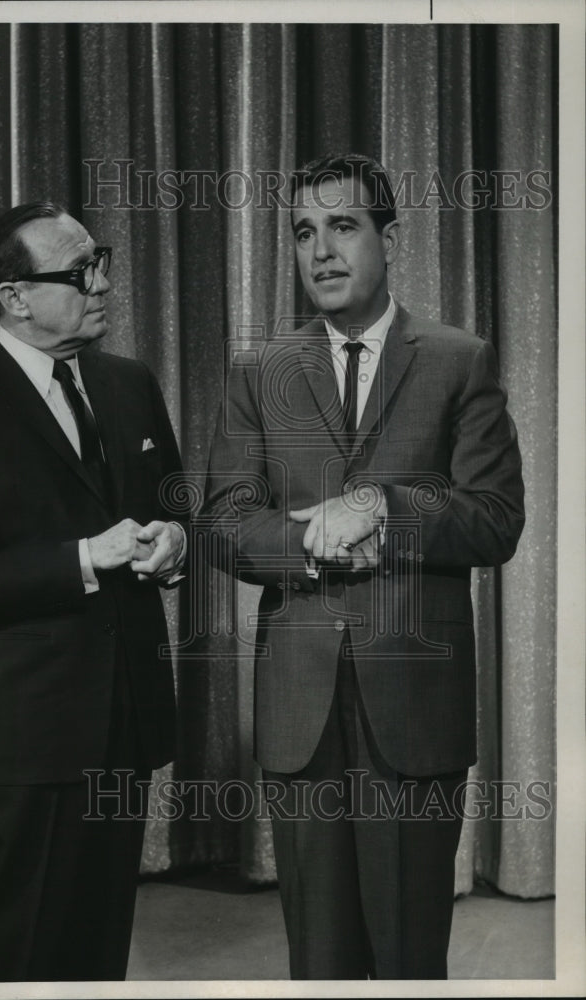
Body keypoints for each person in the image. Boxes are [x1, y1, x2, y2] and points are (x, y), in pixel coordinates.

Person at [202, 153, 524, 979]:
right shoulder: (259, 370)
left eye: (342, 227)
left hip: (414, 705)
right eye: (304, 233)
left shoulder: (458, 358)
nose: (321, 251)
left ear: (389, 238)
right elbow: (223, 523)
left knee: (410, 957)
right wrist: (309, 539)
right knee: (319, 961)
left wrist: (381, 506)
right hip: (298, 705)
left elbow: (494, 520)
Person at [0, 202, 186, 982]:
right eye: (80, 271)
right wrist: (86, 558)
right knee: (12, 949)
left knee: (96, 951)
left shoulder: (130, 383)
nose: (102, 286)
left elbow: (172, 507)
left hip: (125, 722)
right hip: (30, 740)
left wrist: (173, 542)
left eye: (103, 263)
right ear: (14, 296)